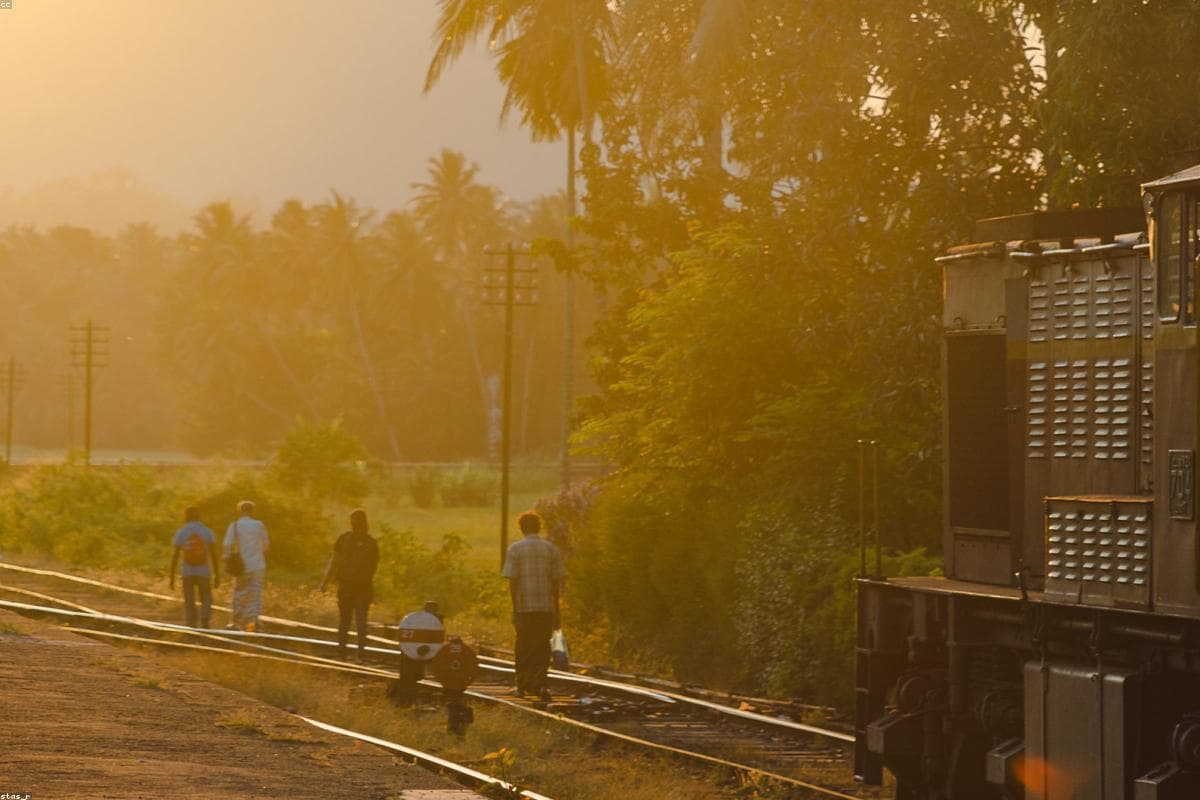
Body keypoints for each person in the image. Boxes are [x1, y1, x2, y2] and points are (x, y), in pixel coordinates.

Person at [501, 510, 565, 701]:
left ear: (521, 528)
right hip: (545, 607)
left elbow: (513, 581)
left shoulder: (515, 549)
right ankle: (541, 684)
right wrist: (557, 610)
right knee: (542, 646)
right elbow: (556, 584)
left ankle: (521, 685)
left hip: (524, 607)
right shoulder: (551, 549)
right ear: (539, 527)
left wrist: (515, 609)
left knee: (523, 646)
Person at [319, 508, 380, 660]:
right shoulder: (371, 543)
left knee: (344, 620)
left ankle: (341, 653)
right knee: (361, 621)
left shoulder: (344, 539)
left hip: (346, 585)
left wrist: (324, 582)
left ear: (351, 522)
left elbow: (334, 562)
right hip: (364, 586)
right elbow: (374, 567)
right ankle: (361, 654)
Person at [168, 506, 219, 628]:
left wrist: (171, 577)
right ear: (198, 516)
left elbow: (175, 555)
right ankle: (205, 619)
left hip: (187, 571)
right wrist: (217, 574)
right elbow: (213, 554)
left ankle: (191, 624)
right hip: (204, 571)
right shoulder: (206, 531)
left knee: (189, 599)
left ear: (186, 516)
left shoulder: (182, 532)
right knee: (206, 597)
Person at [223, 500, 269, 631]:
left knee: (239, 593)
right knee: (255, 593)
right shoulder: (259, 525)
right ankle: (253, 623)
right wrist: (257, 553)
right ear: (253, 511)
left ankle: (237, 623)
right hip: (258, 565)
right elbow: (266, 545)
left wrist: (227, 558)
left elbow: (227, 544)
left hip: (241, 566)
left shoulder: (235, 525)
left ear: (240, 511)